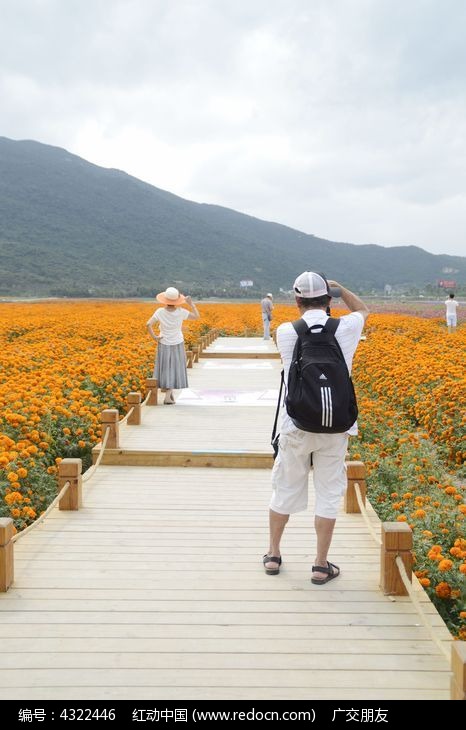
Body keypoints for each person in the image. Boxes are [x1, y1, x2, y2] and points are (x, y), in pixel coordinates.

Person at [263, 272, 369, 584]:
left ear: (297, 300)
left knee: (284, 487)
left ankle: (273, 555)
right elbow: (363, 310)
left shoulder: (285, 331)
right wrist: (342, 289)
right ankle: (321, 564)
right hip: (336, 427)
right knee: (328, 492)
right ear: (329, 299)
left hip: (295, 423)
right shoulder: (346, 327)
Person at [146, 287, 200, 404]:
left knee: (165, 367)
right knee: (174, 368)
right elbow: (196, 316)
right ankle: (168, 396)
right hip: (177, 343)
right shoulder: (181, 312)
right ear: (177, 300)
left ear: (165, 300)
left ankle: (169, 395)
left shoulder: (159, 311)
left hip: (163, 342)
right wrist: (191, 304)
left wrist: (155, 337)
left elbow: (148, 324)